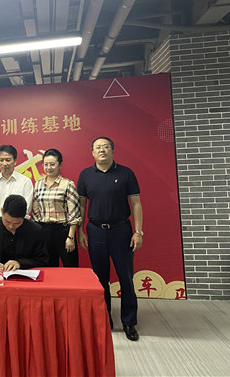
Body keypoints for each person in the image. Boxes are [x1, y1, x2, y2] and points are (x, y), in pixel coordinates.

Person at [77, 137, 144, 342]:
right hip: (95, 231)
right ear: (92, 152)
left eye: (106, 147)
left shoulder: (126, 173)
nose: (102, 150)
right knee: (100, 279)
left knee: (126, 278)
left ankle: (129, 321)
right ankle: (104, 317)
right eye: (98, 147)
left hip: (121, 231)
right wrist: (80, 230)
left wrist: (138, 232)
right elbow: (82, 205)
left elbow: (136, 203)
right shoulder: (85, 175)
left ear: (113, 151)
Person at [0, 195, 48, 270]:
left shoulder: (35, 230)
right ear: (1, 211)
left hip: (22, 276)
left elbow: (43, 259)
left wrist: (20, 263)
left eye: (17, 223)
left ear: (24, 217)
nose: (11, 226)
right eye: (7, 221)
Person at [32, 148, 81, 267]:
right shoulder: (38, 184)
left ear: (60, 165)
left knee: (70, 267)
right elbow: (35, 209)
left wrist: (70, 236)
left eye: (52, 164)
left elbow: (74, 213)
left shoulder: (68, 184)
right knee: (48, 268)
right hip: (44, 231)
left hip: (63, 231)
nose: (49, 167)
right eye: (46, 164)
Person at [0, 145, 33, 219]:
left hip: (18, 223)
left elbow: (26, 207)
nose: (4, 163)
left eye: (8, 160)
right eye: (1, 160)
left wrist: (10, 221)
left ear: (15, 161)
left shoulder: (25, 182)